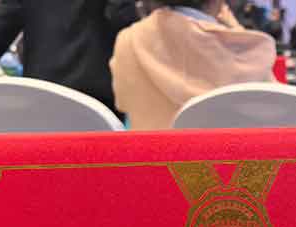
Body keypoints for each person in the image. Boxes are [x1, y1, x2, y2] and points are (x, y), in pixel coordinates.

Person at [110, 0, 275, 130]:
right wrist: (236, 29)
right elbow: (276, 111)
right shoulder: (252, 50)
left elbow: (123, 103)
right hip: (232, 162)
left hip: (153, 160)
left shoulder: (128, 41)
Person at [0, 0, 138, 112]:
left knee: (47, 158)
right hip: (98, 89)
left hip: (44, 87)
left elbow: (5, 15)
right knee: (103, 160)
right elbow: (122, 16)